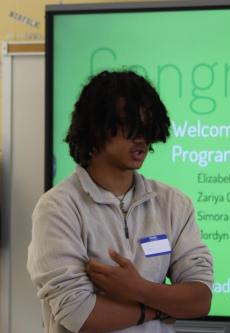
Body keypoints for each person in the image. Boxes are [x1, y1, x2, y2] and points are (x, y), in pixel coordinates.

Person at [27, 70, 213, 333]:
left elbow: (199, 300)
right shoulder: (58, 208)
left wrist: (137, 288)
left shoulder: (174, 203)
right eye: (129, 125)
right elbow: (78, 313)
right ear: (95, 128)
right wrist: (159, 308)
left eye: (147, 125)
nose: (142, 138)